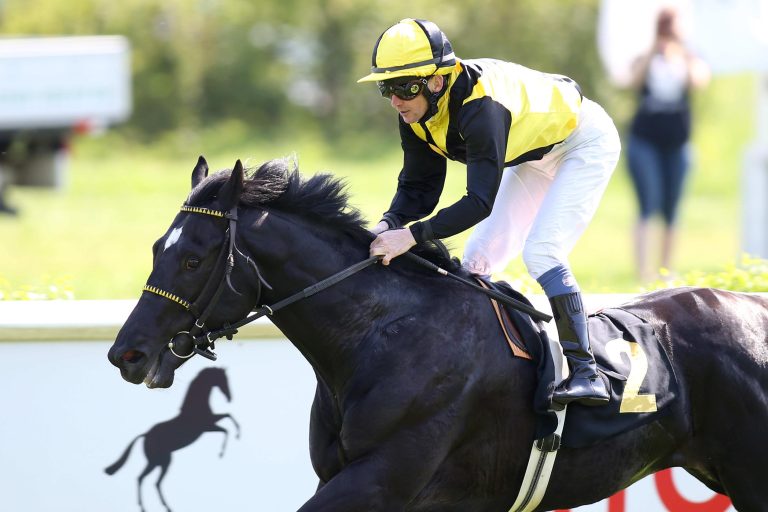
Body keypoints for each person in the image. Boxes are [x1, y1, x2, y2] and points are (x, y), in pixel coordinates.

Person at [359, 18, 621, 407]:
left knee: (542, 251)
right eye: (387, 88)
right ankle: (477, 361)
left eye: (405, 87)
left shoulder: (480, 108)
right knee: (477, 259)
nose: (396, 100)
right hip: (534, 155)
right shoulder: (414, 114)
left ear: (437, 82)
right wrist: (387, 224)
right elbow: (419, 188)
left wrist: (411, 237)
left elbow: (479, 202)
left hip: (584, 141)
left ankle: (588, 373)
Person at [627, 7, 709, 282]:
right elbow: (633, 80)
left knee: (672, 208)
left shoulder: (689, 57)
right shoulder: (646, 57)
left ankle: (665, 272)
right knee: (648, 203)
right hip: (645, 140)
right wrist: (655, 47)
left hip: (678, 143)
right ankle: (643, 274)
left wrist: (682, 48)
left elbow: (699, 81)